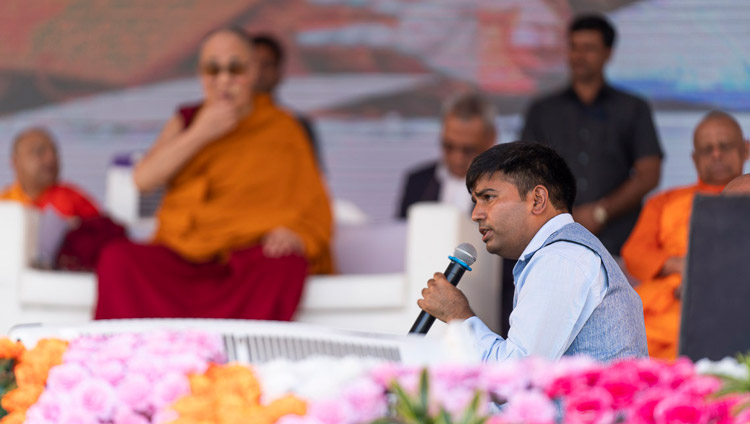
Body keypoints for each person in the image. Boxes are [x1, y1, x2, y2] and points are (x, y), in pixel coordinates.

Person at [95, 28, 333, 321]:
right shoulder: (189, 118)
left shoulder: (283, 127)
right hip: (183, 255)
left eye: (235, 69)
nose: (224, 80)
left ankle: (239, 355)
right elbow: (143, 180)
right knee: (118, 259)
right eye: (213, 69)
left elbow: (313, 204)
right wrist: (201, 133)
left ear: (253, 71)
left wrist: (296, 233)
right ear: (200, 74)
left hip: (247, 259)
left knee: (285, 264)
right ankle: (145, 352)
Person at [417, 141, 647, 362]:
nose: (476, 214)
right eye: (476, 201)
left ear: (537, 200)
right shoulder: (563, 254)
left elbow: (515, 377)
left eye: (488, 197)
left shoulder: (560, 259)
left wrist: (458, 316)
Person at [521, 14, 662, 257]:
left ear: (608, 53)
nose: (578, 56)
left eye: (589, 48)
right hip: (555, 240)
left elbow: (649, 173)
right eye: (574, 47)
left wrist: (601, 211)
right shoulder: (543, 110)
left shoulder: (633, 108)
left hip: (621, 241)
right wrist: (562, 215)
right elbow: (524, 172)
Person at [621, 111, 749, 360]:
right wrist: (682, 266)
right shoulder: (664, 202)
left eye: (724, 146)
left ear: (746, 149)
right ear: (694, 158)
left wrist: (704, 277)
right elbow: (634, 254)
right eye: (706, 149)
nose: (716, 155)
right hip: (673, 311)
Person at [397, 92, 496, 219]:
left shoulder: (504, 189)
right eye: (448, 147)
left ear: (490, 138)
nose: (457, 158)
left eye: (468, 150)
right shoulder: (418, 183)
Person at [251, 33, 323, 170]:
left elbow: (310, 177)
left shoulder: (295, 125)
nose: (259, 72)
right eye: (252, 64)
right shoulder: (222, 123)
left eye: (267, 64)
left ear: (279, 73)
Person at [1, 127, 98, 219]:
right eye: (39, 152)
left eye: (54, 152)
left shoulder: (74, 201)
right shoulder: (4, 204)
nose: (50, 158)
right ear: (15, 162)